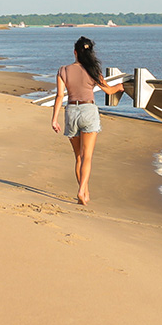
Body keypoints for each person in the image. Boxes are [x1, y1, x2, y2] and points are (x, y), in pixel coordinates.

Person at [51, 36, 122, 206]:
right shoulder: (93, 71)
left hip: (71, 111)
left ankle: (85, 191)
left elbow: (60, 95)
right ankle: (82, 190)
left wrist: (54, 119)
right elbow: (109, 91)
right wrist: (120, 87)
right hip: (88, 111)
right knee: (87, 157)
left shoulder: (63, 70)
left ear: (75, 52)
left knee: (78, 157)